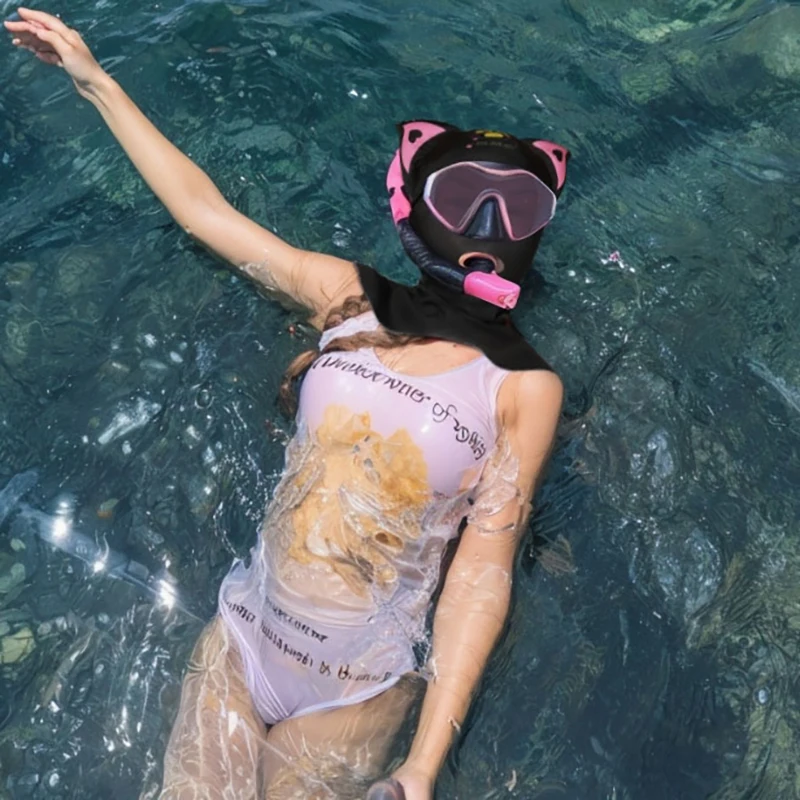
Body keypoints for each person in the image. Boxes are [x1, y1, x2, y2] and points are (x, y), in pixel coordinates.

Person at [5, 8, 566, 800]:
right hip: (241, 639)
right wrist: (95, 83)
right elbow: (206, 215)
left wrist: (421, 767)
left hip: (356, 688)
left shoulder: (523, 385)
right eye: (464, 196)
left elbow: (482, 575)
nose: (490, 224)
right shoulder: (348, 297)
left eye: (519, 207)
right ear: (410, 203)